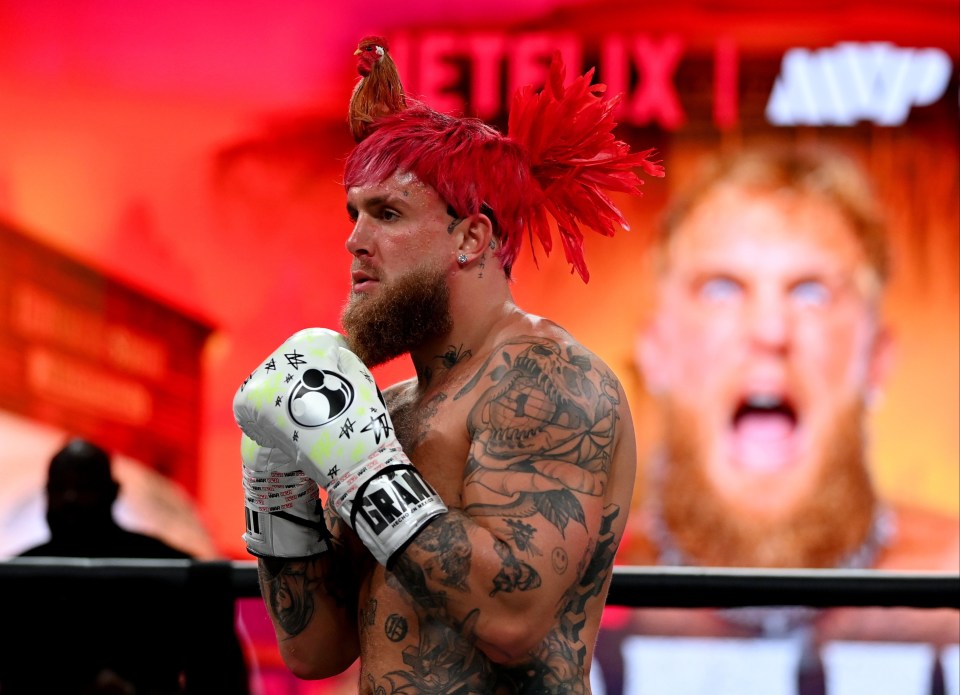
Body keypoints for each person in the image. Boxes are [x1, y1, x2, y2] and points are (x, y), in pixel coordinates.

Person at [232, 51, 663, 693]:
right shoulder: (391, 411)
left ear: (471, 238)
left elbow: (512, 618)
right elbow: (316, 649)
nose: (355, 240)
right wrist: (277, 484)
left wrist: (365, 472)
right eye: (354, 213)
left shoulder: (548, 379)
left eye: (388, 213)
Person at [612, 144, 959, 694]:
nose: (770, 330)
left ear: (877, 359)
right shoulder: (548, 599)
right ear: (656, 351)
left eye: (812, 292)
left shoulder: (950, 596)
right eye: (721, 288)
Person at [1, 438, 251, 694]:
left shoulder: (165, 568)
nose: (70, 498)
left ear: (112, 492)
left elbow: (219, 670)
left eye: (85, 486)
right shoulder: (16, 577)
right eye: (60, 487)